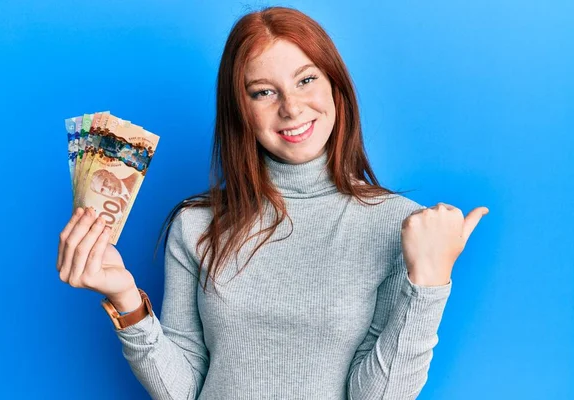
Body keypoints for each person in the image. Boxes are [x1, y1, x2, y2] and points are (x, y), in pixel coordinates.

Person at [56, 6, 488, 399]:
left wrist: (429, 283)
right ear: (240, 109)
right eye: (264, 92)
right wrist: (126, 300)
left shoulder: (399, 227)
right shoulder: (196, 224)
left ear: (336, 86)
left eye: (306, 79)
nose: (292, 108)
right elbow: (183, 390)